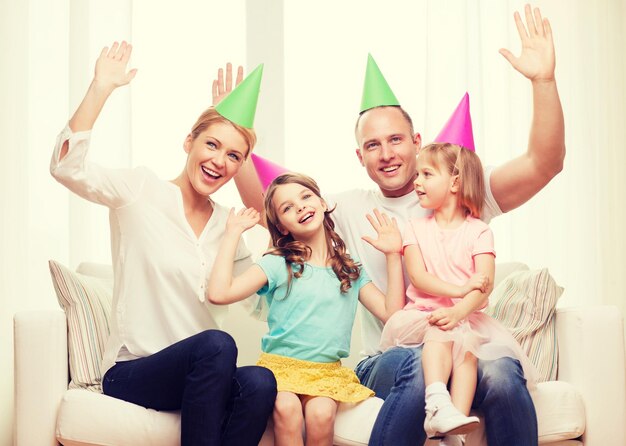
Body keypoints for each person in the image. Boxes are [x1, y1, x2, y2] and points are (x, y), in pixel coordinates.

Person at [234, 4, 563, 446]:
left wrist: (542, 81)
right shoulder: (348, 209)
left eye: (395, 140)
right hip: (390, 356)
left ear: (416, 142)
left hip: (464, 346)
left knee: (503, 373)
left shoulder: (459, 194)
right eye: (372, 145)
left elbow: (544, 164)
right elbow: (275, 205)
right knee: (414, 363)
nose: (386, 153)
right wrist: (234, 138)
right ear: (360, 157)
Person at [50, 41, 277, 446]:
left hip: (205, 371)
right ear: (189, 141)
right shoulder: (141, 190)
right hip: (133, 371)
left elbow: (270, 220)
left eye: (233, 156)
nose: (219, 162)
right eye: (211, 144)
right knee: (217, 345)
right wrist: (100, 87)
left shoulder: (230, 227)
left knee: (259, 381)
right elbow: (67, 167)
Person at [206, 172, 405, 446]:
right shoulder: (279, 262)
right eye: (287, 207)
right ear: (282, 227)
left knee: (321, 413)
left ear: (323, 203)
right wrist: (232, 234)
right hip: (280, 369)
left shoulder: (350, 268)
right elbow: (219, 293)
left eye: (306, 196)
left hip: (327, 372)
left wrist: (393, 255)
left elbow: (392, 314)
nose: (300, 206)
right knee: (287, 409)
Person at [379, 143, 538, 445]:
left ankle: (454, 429)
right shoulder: (414, 227)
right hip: (422, 317)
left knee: (468, 348)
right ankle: (437, 401)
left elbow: (484, 285)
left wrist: (459, 311)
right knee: (443, 330)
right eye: (418, 175)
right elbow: (419, 277)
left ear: (454, 182)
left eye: (426, 174)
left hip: (465, 319)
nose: (417, 182)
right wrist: (458, 292)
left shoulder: (479, 231)